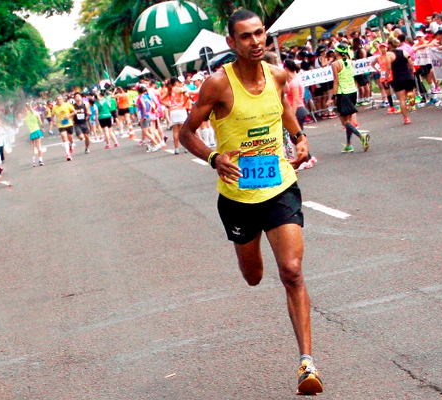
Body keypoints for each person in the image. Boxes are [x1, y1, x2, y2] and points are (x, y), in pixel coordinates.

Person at [179, 9, 322, 396]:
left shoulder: (277, 75)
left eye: (260, 33)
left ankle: (307, 363)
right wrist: (213, 157)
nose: (256, 41)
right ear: (232, 43)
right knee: (254, 275)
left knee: (291, 270)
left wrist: (300, 138)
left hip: (279, 186)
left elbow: (284, 111)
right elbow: (186, 132)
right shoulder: (217, 85)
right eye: (245, 36)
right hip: (238, 196)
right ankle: (249, 251)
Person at [330, 43, 370, 152]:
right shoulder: (350, 62)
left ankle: (361, 136)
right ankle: (348, 144)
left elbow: (336, 81)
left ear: (337, 52)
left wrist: (332, 97)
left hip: (343, 93)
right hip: (352, 91)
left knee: (344, 120)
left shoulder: (335, 64)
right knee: (348, 119)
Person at [284, 59, 317, 170]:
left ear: (286, 68)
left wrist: (291, 115)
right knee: (297, 137)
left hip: (297, 109)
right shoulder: (295, 79)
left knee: (297, 137)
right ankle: (309, 157)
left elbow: (295, 99)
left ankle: (306, 158)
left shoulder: (294, 82)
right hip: (299, 108)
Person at [386, 37, 416, 124]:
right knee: (410, 90)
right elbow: (410, 64)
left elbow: (388, 67)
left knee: (401, 99)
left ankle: (406, 118)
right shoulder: (404, 52)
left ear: (390, 45)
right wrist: (412, 72)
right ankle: (411, 97)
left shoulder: (389, 54)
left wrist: (386, 77)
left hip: (397, 77)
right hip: (407, 75)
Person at [160, 77, 190, 154]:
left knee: (175, 131)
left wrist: (168, 104)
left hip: (173, 111)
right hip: (180, 109)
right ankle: (185, 147)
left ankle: (176, 148)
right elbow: (187, 95)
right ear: (176, 82)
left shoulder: (169, 90)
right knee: (183, 130)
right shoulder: (179, 89)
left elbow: (161, 99)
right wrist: (184, 103)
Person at [53, 95, 77, 161]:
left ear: (62, 99)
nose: (59, 100)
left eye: (60, 99)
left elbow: (75, 112)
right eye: (57, 99)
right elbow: (52, 115)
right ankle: (68, 154)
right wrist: (53, 122)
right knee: (64, 137)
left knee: (70, 138)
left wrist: (69, 115)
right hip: (61, 125)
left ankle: (71, 144)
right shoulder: (55, 108)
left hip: (69, 124)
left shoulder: (67, 105)